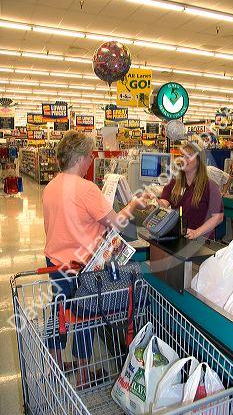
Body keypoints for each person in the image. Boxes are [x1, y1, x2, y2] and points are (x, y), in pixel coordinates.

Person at [42, 130, 146, 388]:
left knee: (60, 310)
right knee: (85, 315)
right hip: (81, 266)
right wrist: (133, 204)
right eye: (89, 156)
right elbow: (117, 223)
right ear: (78, 158)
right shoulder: (87, 189)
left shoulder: (52, 186)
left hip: (55, 261)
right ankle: (83, 374)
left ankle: (55, 363)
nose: (90, 161)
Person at [157, 143, 224, 240]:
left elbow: (218, 217)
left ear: (199, 160)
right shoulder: (173, 184)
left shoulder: (210, 186)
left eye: (189, 156)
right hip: (178, 238)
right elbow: (164, 205)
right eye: (182, 156)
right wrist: (154, 201)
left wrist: (196, 232)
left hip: (202, 242)